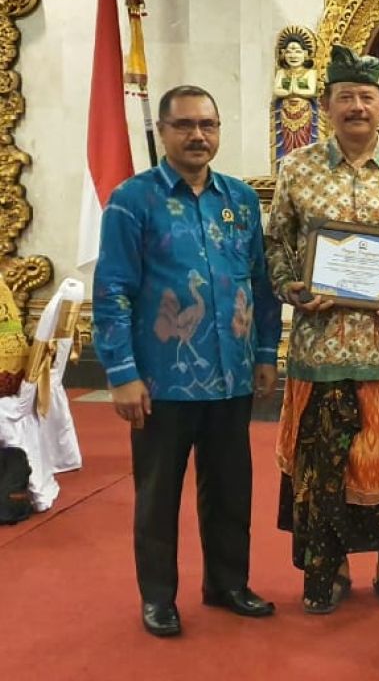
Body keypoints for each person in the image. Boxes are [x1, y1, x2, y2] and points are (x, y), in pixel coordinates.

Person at [93, 85, 282, 637]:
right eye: (185, 126)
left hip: (231, 375)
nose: (198, 136)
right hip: (162, 380)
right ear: (164, 131)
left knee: (230, 487)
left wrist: (266, 352)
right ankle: (158, 597)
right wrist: (122, 375)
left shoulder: (240, 199)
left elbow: (261, 283)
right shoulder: (133, 200)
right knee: (159, 494)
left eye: (208, 125)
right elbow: (113, 292)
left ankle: (227, 584)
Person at [265, 45, 379, 615]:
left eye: (366, 97)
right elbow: (276, 243)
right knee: (324, 467)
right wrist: (293, 288)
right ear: (326, 105)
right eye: (345, 97)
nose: (357, 107)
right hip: (320, 346)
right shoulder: (297, 170)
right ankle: (332, 567)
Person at [272, 27, 320, 169]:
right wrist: (293, 89)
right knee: (287, 144)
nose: (293, 55)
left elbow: (311, 91)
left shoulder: (309, 73)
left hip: (304, 114)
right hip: (285, 114)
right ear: (283, 54)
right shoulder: (282, 73)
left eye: (297, 51)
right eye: (289, 51)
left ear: (306, 54)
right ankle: (287, 167)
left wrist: (292, 89)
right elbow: (277, 91)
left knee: (304, 142)